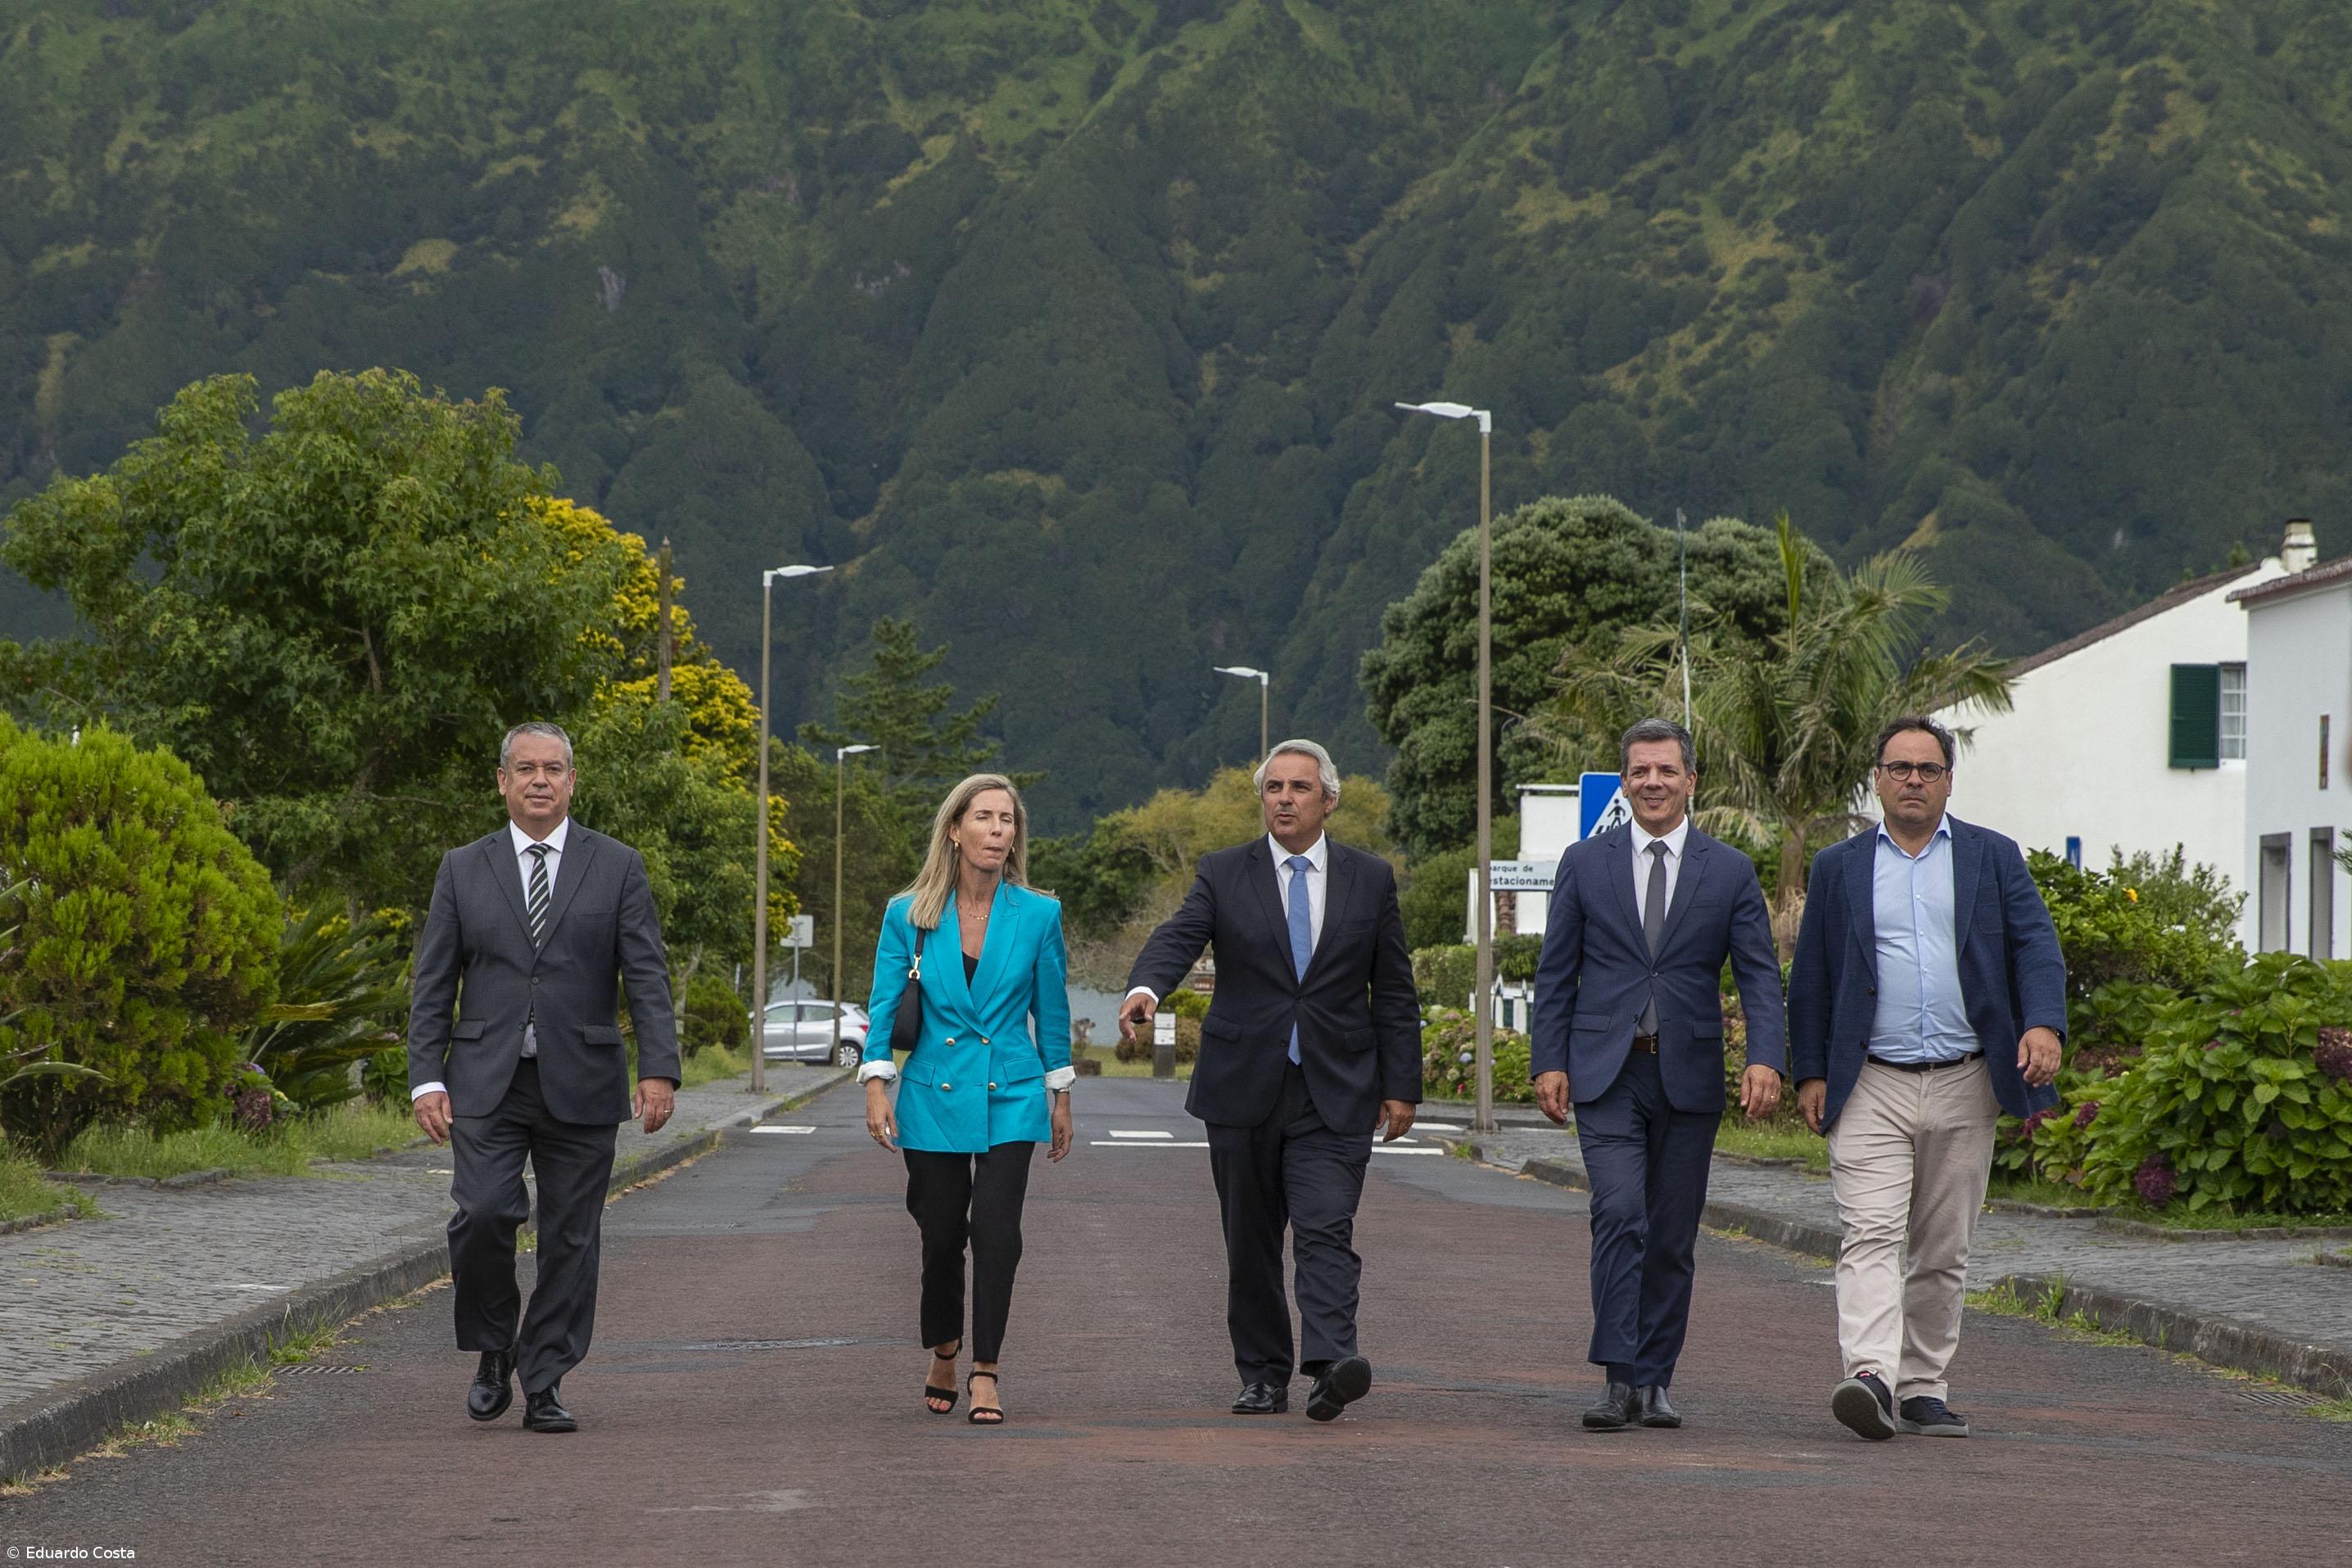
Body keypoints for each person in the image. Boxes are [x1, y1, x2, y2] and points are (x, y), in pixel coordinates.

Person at [1119, 739, 1420, 1422]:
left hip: (1337, 1085)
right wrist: (1147, 987)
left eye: (1299, 788)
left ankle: (1332, 1362)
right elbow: (1180, 933)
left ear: (1329, 799)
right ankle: (1261, 1373)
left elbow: (1394, 991)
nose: (1283, 798)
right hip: (1243, 1085)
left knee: (1325, 1226)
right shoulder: (1225, 872)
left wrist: (1401, 1083)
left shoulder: (1370, 879)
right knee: (1250, 1240)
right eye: (1273, 787)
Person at [1788, 716, 2065, 1442]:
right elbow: (1811, 976)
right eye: (1899, 767)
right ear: (1876, 778)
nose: (1913, 779)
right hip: (1869, 1079)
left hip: (1966, 1077)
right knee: (1870, 1231)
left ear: (1948, 780)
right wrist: (1809, 1071)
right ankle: (1872, 1374)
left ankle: (1922, 1386)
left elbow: (2036, 945)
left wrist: (2043, 1023)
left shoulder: (1992, 857)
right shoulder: (1838, 867)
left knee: (1943, 1246)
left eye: (1928, 768)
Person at [407, 721, 680, 1434]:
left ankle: (546, 1377)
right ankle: (495, 1345)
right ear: (502, 781)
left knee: (572, 1237)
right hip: (484, 1081)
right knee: (485, 1215)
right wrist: (424, 1079)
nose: (539, 780)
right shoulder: (461, 868)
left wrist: (659, 1070)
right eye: (524, 768)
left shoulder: (617, 864)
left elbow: (647, 973)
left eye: (552, 768)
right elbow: (433, 982)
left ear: (572, 781)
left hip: (583, 1081)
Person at [1529, 718, 1788, 1431]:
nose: (1653, 782)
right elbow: (1557, 972)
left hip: (1690, 1075)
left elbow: (1759, 975)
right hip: (1606, 1075)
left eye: (1666, 771)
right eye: (1640, 771)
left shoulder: (1728, 869)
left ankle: (1656, 1379)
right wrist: (1548, 1059)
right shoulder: (1585, 862)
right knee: (1619, 1213)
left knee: (1672, 1235)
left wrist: (1766, 1055)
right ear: (1624, 781)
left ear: (1690, 781)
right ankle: (1617, 1377)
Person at [861, 773, 1074, 1426]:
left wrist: (1059, 1093)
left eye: (1006, 820)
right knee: (941, 1233)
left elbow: (1053, 1010)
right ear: (955, 830)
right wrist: (876, 1082)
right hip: (931, 1090)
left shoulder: (1038, 913)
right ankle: (945, 1347)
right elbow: (881, 1005)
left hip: (1011, 1087)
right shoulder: (910, 913)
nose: (997, 830)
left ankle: (986, 1369)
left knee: (999, 1234)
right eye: (983, 817)